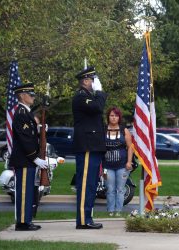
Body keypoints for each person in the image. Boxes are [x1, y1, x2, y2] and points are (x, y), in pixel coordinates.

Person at [9, 83, 48, 231]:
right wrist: (34, 158)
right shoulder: (21, 113)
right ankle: (23, 222)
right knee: (24, 191)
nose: (33, 97)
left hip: (27, 160)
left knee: (28, 190)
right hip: (24, 159)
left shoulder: (26, 113)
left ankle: (26, 220)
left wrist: (39, 131)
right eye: (30, 94)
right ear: (22, 96)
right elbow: (24, 139)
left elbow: (31, 136)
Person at [72, 66, 107, 229]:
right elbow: (98, 107)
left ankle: (87, 218)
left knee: (92, 185)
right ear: (85, 81)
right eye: (92, 80)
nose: (94, 83)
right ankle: (83, 220)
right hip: (87, 147)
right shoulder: (81, 97)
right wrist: (100, 93)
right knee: (85, 184)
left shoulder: (88, 97)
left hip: (93, 147)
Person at [103, 107, 133, 216]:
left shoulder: (124, 130)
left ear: (119, 117)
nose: (113, 117)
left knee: (120, 189)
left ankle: (119, 211)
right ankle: (110, 211)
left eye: (116, 115)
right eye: (111, 115)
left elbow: (130, 147)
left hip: (122, 165)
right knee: (110, 189)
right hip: (107, 166)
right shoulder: (103, 130)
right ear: (108, 117)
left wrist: (129, 162)